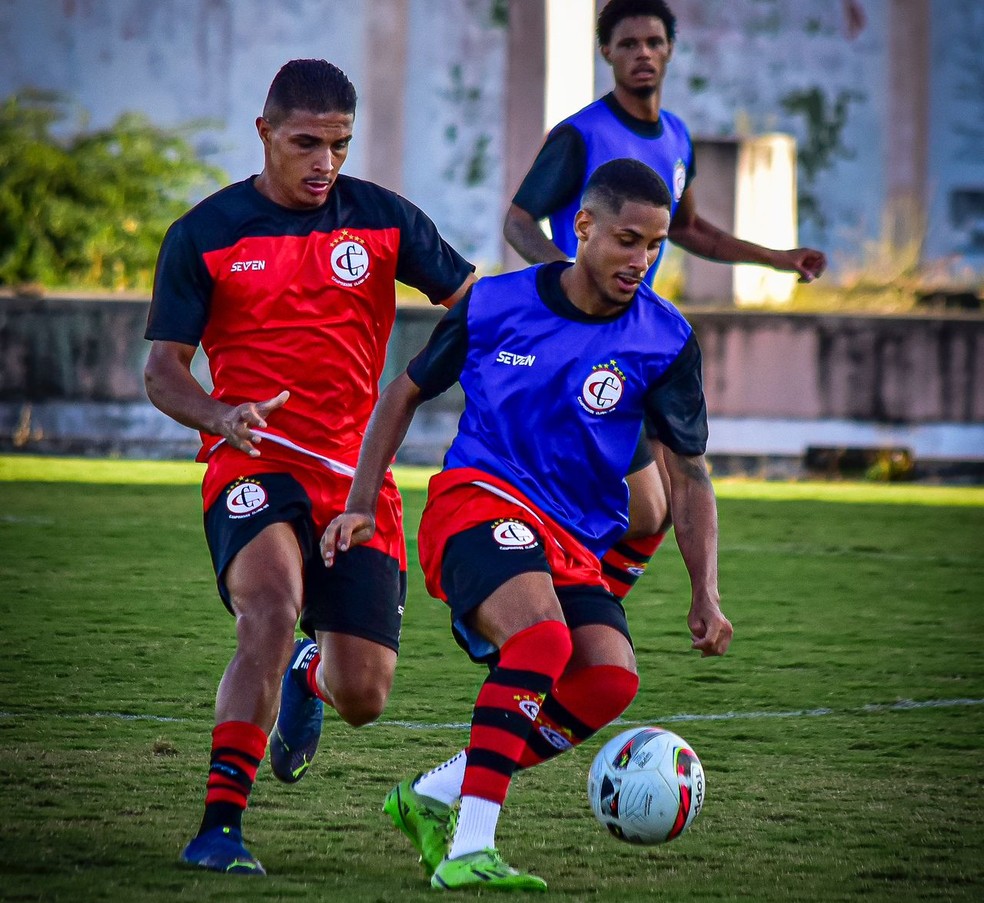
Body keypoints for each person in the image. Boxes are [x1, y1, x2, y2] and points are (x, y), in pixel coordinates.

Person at [322, 159, 733, 892]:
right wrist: (358, 500)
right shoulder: (494, 304)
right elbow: (403, 392)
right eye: (627, 240)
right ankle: (470, 847)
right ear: (583, 227)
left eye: (655, 245)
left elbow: (689, 474)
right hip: (476, 502)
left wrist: (706, 590)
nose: (641, 261)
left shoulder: (665, 339)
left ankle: (431, 795)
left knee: (607, 677)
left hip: (572, 539)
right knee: (543, 640)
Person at [143, 58, 474, 876]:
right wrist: (220, 415)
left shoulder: (386, 221)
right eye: (306, 143)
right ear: (265, 133)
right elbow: (163, 370)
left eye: (339, 144)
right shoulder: (205, 233)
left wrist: (426, 378)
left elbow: (477, 304)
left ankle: (310, 674)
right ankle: (220, 824)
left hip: (356, 480)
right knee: (270, 605)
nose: (325, 162)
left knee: (364, 694)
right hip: (250, 462)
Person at [503, 0, 828, 603]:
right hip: (582, 340)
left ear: (671, 49)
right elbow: (520, 222)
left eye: (654, 41)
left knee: (653, 507)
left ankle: (577, 608)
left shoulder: (677, 136)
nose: (643, 54)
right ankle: (549, 600)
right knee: (644, 501)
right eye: (628, 44)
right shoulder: (580, 135)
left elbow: (690, 230)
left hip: (640, 340)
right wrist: (569, 285)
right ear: (607, 53)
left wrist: (778, 259)